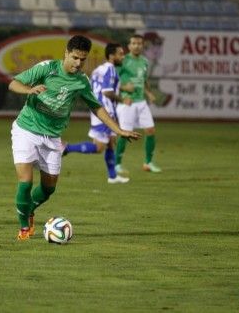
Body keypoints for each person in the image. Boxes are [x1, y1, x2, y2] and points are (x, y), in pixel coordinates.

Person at [9, 35, 141, 241]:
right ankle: (24, 228)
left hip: (52, 137)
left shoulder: (81, 81)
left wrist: (119, 130)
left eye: (83, 59)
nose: (78, 63)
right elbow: (14, 84)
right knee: (25, 181)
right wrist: (29, 89)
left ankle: (30, 209)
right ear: (66, 53)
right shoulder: (47, 68)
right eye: (75, 58)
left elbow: (96, 107)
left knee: (48, 189)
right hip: (26, 129)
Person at [63, 43, 129, 184]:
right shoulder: (111, 69)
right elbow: (107, 92)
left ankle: (113, 177)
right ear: (112, 55)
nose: (123, 56)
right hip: (105, 110)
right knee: (99, 147)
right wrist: (123, 99)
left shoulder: (99, 69)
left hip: (97, 108)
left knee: (111, 143)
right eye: (120, 54)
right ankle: (66, 147)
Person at [115, 34, 162, 174]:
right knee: (125, 133)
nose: (137, 46)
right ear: (129, 46)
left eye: (139, 43)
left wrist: (149, 93)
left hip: (141, 102)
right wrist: (124, 89)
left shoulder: (144, 61)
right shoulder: (122, 61)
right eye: (134, 43)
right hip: (127, 103)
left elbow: (143, 80)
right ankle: (117, 164)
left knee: (150, 130)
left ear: (143, 46)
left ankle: (148, 163)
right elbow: (113, 81)